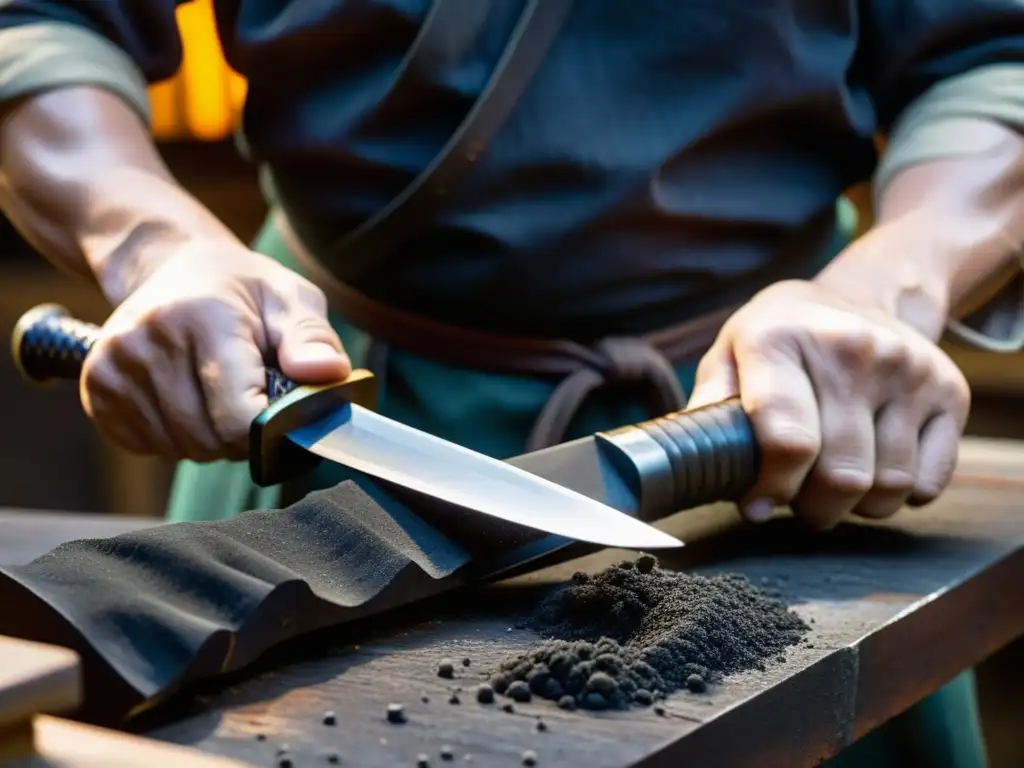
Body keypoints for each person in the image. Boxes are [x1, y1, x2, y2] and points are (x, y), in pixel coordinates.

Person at [0, 1, 1021, 765]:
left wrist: (888, 289)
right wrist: (150, 241)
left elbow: (991, 53)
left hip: (779, 425)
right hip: (324, 400)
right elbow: (41, 20)